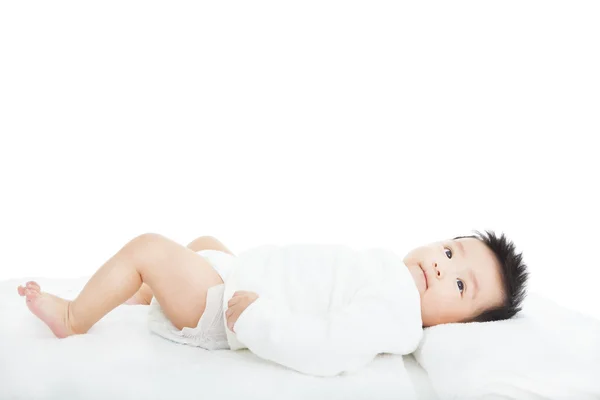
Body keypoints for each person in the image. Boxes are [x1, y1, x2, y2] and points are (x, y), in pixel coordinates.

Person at [17, 229, 529, 376]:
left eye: (461, 287)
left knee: (149, 248)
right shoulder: (390, 275)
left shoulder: (395, 313)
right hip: (236, 278)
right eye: (449, 250)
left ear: (461, 325)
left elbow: (329, 347)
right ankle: (142, 293)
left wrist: (259, 320)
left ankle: (73, 316)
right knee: (202, 242)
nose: (442, 266)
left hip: (228, 309)